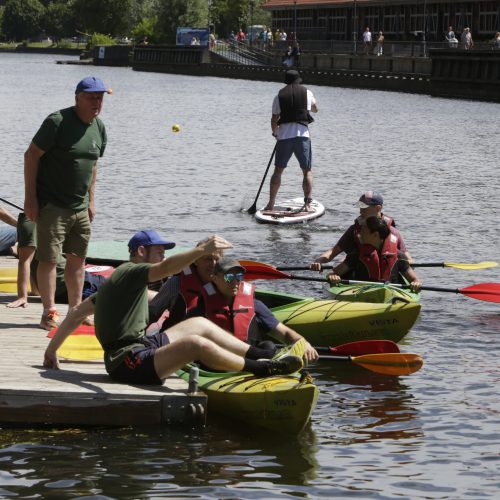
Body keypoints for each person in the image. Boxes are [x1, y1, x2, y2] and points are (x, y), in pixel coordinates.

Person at [43, 233, 304, 383]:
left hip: (141, 346)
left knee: (200, 325)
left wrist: (51, 351)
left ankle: (264, 352)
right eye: (159, 252)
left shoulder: (121, 281)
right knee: (195, 343)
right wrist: (200, 249)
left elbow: (77, 312)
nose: (163, 257)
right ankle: (261, 368)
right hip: (126, 363)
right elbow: (167, 270)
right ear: (141, 252)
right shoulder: (132, 272)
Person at [23, 76, 110, 330]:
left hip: (80, 208)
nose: (97, 103)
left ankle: (76, 311)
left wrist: (91, 201)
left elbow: (93, 165)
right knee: (49, 259)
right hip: (52, 205)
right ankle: (49, 312)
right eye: (92, 97)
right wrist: (31, 198)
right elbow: (31, 156)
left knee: (78, 260)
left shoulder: (99, 127)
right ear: (77, 98)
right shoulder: (57, 122)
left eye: (100, 98)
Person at [189, 257, 319, 363]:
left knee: (269, 346)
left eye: (239, 276)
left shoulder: (255, 305)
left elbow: (284, 333)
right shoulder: (202, 307)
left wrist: (303, 343)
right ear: (215, 278)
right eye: (229, 277)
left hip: (249, 360)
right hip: (215, 362)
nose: (235, 282)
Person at [310, 191, 413, 271]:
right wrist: (319, 261)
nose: (360, 211)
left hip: (387, 278)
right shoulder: (354, 230)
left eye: (364, 208)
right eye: (360, 207)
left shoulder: (393, 232)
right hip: (358, 275)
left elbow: (408, 258)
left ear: (378, 208)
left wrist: (410, 264)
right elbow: (333, 252)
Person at [264, 69, 318, 212]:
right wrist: (311, 107)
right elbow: (315, 109)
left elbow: (274, 118)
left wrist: (275, 133)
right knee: (307, 171)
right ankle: (307, 205)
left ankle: (270, 204)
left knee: (277, 172)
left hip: (284, 137)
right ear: (298, 81)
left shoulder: (278, 96)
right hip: (303, 136)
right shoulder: (308, 92)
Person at [147, 236, 225, 332]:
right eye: (207, 259)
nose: (213, 264)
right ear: (195, 261)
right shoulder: (176, 283)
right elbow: (153, 313)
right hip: (178, 338)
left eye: (217, 259)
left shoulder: (227, 285)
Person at [326, 216, 422, 291]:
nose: (359, 234)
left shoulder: (398, 255)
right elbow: (332, 273)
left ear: (375, 235)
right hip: (360, 292)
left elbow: (415, 279)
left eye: (363, 231)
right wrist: (333, 276)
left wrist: (416, 283)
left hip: (391, 291)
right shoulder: (357, 254)